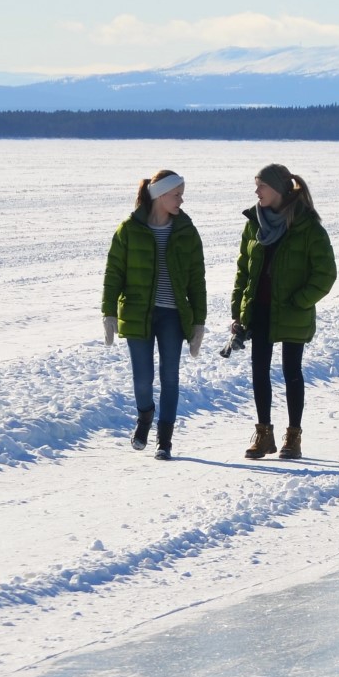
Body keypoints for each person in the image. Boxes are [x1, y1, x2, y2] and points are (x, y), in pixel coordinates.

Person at [230, 163, 337, 461]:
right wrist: (238, 311)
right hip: (260, 309)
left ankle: (294, 436)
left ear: (277, 190)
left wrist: (301, 301)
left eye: (261, 186)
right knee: (259, 371)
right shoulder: (254, 223)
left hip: (292, 310)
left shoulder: (307, 227)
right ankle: (264, 434)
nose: (256, 192)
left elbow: (325, 273)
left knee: (292, 371)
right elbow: (243, 270)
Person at [102, 169, 206, 461]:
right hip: (138, 313)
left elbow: (197, 279)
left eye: (182, 195)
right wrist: (109, 312)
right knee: (142, 378)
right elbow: (114, 273)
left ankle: (165, 440)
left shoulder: (186, 231)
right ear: (160, 195)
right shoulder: (128, 229)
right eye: (176, 195)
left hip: (173, 315)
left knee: (169, 377)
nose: (181, 201)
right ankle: (145, 416)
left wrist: (199, 322)